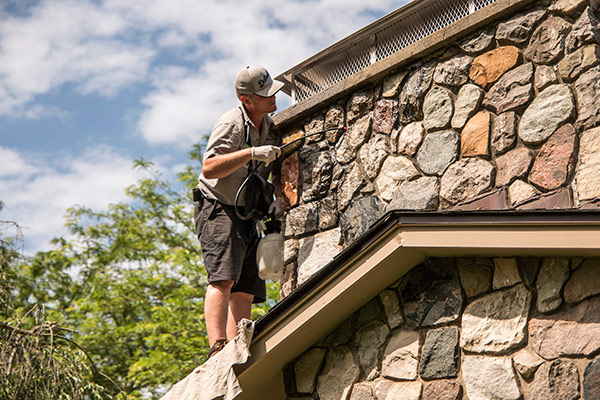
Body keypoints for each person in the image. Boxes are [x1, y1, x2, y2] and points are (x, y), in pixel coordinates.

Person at [194, 65, 285, 358]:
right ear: (246, 99)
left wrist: (278, 198)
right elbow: (209, 167)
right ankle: (218, 346)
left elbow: (278, 168)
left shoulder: (271, 127)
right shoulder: (232, 124)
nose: (273, 98)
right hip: (218, 207)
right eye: (265, 94)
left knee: (246, 287)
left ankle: (238, 346)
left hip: (248, 212)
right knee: (223, 278)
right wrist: (250, 152)